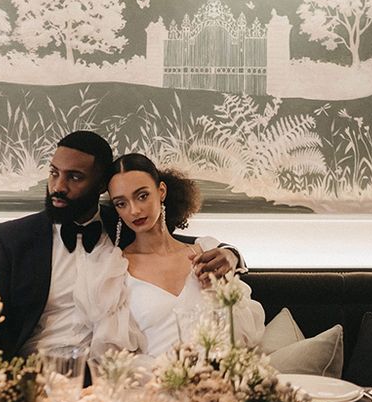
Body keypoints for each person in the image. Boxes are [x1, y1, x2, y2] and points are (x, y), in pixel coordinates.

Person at [0, 131, 244, 358]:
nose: (58, 187)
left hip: (102, 370)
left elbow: (176, 245)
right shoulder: (10, 239)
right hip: (35, 368)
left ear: (101, 186)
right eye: (54, 173)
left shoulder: (126, 223)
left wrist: (232, 255)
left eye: (74, 177)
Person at [81, 153, 264, 357]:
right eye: (121, 203)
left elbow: (241, 338)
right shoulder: (114, 271)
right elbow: (115, 359)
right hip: (155, 382)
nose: (134, 210)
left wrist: (229, 266)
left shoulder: (206, 253)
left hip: (218, 379)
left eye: (142, 196)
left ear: (161, 191)